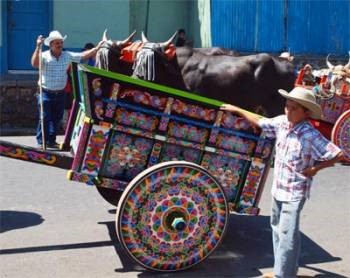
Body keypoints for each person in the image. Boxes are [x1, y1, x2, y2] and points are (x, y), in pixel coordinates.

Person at [220, 87, 344, 278]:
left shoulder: (310, 134)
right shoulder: (281, 123)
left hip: (294, 193)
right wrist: (237, 109)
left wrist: (315, 169)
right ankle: (286, 271)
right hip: (278, 188)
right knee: (279, 232)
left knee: (287, 236)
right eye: (287, 106)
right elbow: (260, 122)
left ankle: (282, 275)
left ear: (306, 113)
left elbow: (338, 154)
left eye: (294, 108)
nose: (288, 111)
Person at [31, 30, 103, 149]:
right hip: (45, 92)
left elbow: (83, 55)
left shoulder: (67, 56)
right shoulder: (43, 55)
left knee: (56, 118)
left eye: (61, 42)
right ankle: (41, 141)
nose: (59, 45)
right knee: (44, 117)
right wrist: (38, 46)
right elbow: (34, 63)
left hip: (60, 93)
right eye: (57, 43)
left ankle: (51, 140)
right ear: (51, 45)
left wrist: (97, 48)